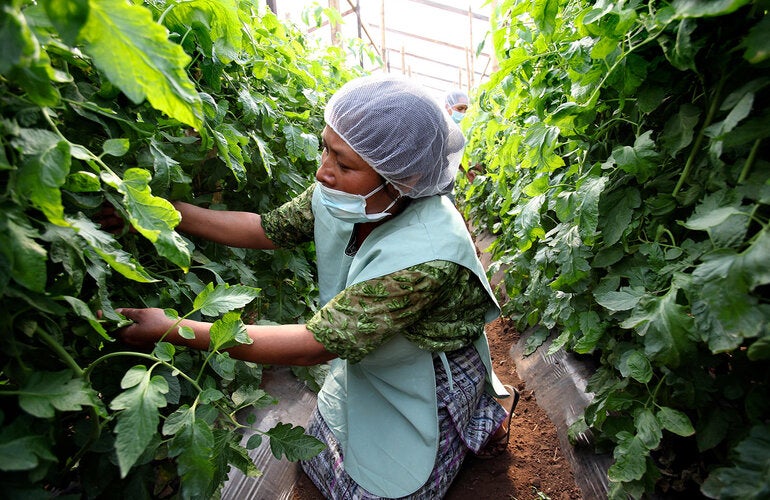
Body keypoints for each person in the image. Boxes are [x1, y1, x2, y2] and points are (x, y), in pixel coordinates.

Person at [114, 75, 518, 499]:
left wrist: (170, 328)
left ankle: (476, 422)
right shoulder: (348, 194)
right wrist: (162, 214)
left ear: (407, 177)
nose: (323, 171)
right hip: (372, 350)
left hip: (429, 366)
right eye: (326, 147)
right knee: (329, 446)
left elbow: (314, 346)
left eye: (344, 164)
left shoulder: (427, 256)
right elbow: (265, 229)